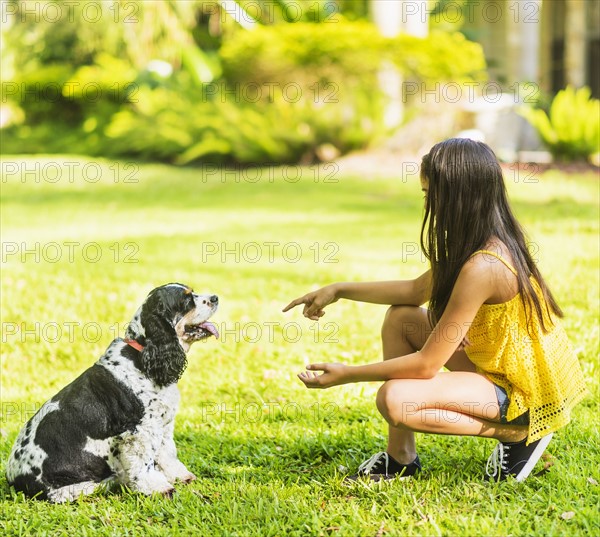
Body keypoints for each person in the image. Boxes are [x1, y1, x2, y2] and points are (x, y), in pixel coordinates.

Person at [283, 138, 588, 483]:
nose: (427, 204)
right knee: (401, 318)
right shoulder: (476, 241)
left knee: (396, 400)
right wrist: (338, 290)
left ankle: (516, 435)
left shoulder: (484, 266)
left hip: (524, 393)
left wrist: (347, 374)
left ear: (456, 198)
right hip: (498, 368)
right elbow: (414, 291)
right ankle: (401, 460)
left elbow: (427, 364)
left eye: (430, 196)